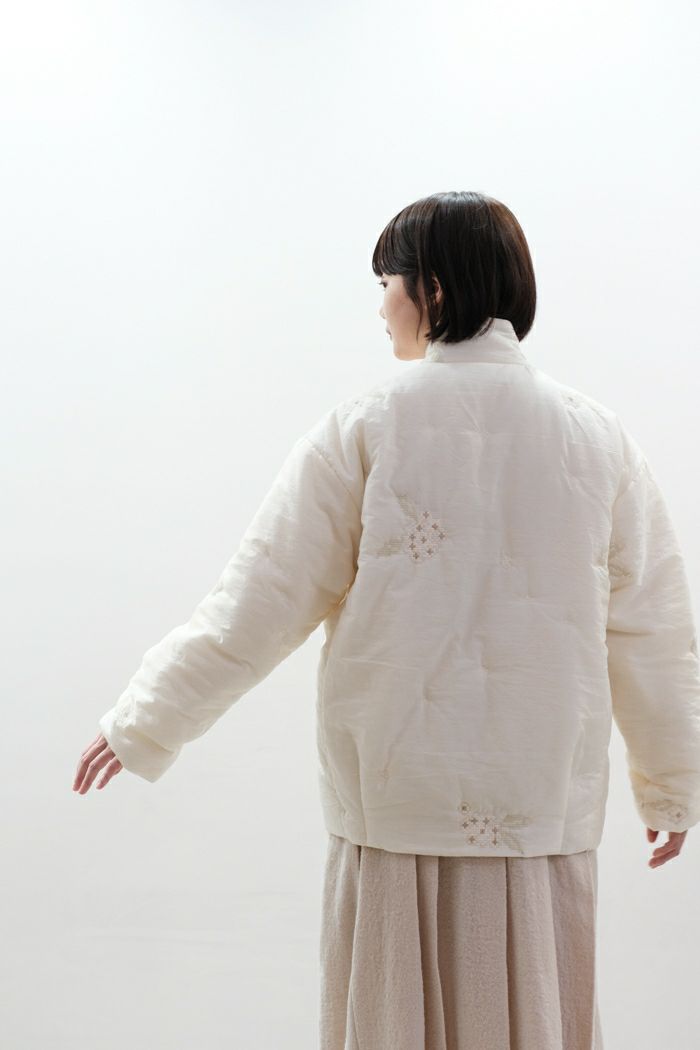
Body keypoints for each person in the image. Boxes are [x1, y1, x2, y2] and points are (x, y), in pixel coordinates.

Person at [73, 191, 700, 1049]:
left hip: (396, 798)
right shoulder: (598, 439)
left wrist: (145, 719)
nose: (380, 309)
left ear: (432, 289)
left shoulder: (366, 427)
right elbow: (655, 630)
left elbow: (259, 600)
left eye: (387, 285)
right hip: (541, 802)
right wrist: (672, 783)